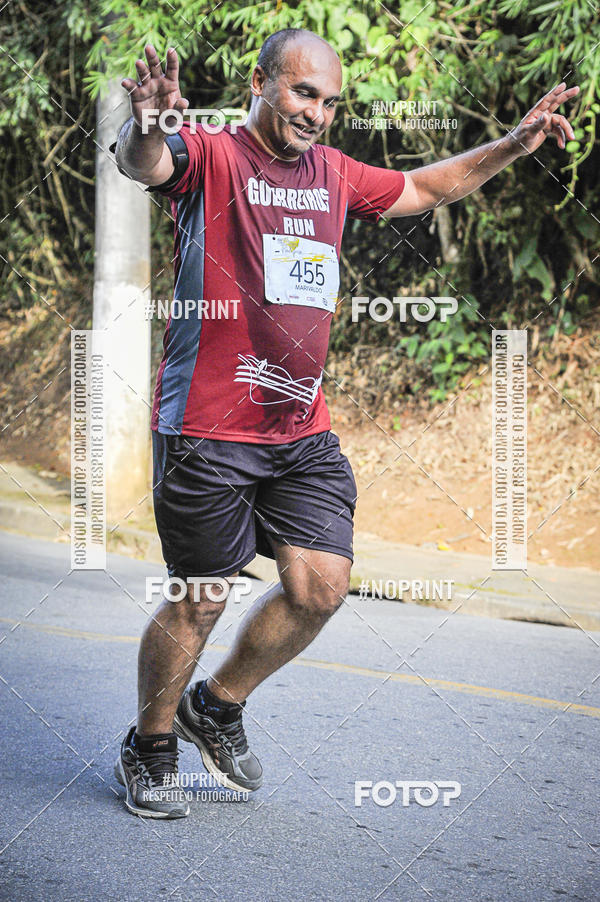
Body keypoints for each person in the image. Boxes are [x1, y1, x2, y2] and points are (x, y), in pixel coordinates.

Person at [111, 28, 578, 818]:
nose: (317, 113)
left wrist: (512, 145)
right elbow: (144, 163)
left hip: (300, 430)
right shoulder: (213, 154)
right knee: (200, 596)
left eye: (329, 101)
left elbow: (424, 188)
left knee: (321, 587)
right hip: (207, 428)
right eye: (303, 93)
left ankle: (215, 706)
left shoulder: (332, 172)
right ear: (260, 82)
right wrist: (147, 124)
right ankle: (150, 746)